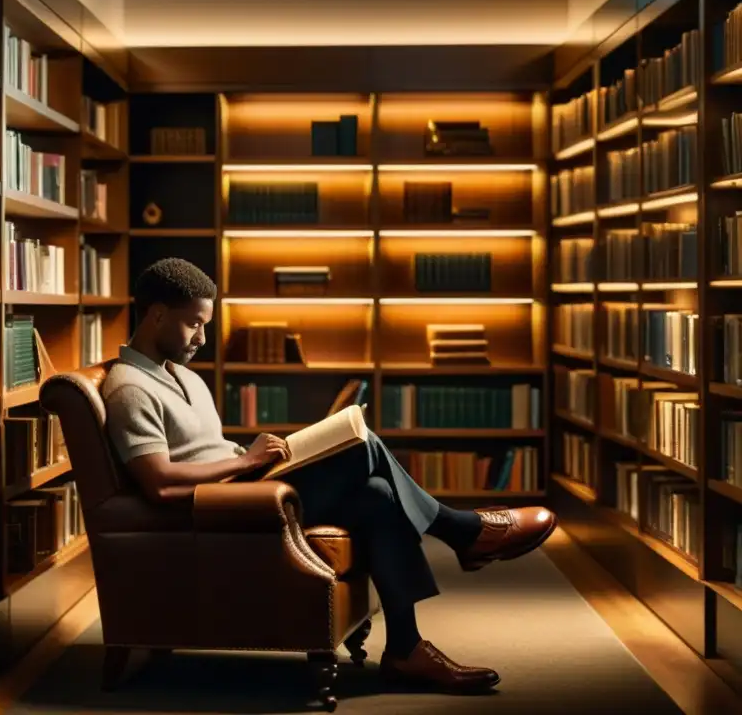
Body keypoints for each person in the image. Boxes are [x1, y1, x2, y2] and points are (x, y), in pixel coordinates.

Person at [101, 257, 557, 694]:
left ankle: (405, 648)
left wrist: (261, 457)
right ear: (157, 316)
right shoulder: (129, 388)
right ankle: (462, 531)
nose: (202, 336)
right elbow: (158, 481)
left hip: (250, 488)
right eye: (194, 323)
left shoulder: (181, 375)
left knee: (378, 493)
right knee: (364, 448)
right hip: (231, 509)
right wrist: (243, 463)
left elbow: (205, 451)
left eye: (206, 323)